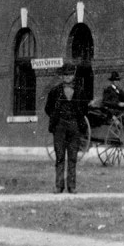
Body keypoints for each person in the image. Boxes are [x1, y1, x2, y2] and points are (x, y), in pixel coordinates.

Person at [44, 63, 86, 193]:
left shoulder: (80, 91)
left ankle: (72, 186)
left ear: (73, 76)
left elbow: (84, 109)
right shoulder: (55, 91)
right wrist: (56, 118)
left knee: (73, 157)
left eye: (70, 74)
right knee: (60, 156)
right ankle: (59, 186)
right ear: (62, 76)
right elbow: (48, 108)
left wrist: (77, 119)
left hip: (74, 126)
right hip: (59, 127)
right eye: (65, 74)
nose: (68, 77)